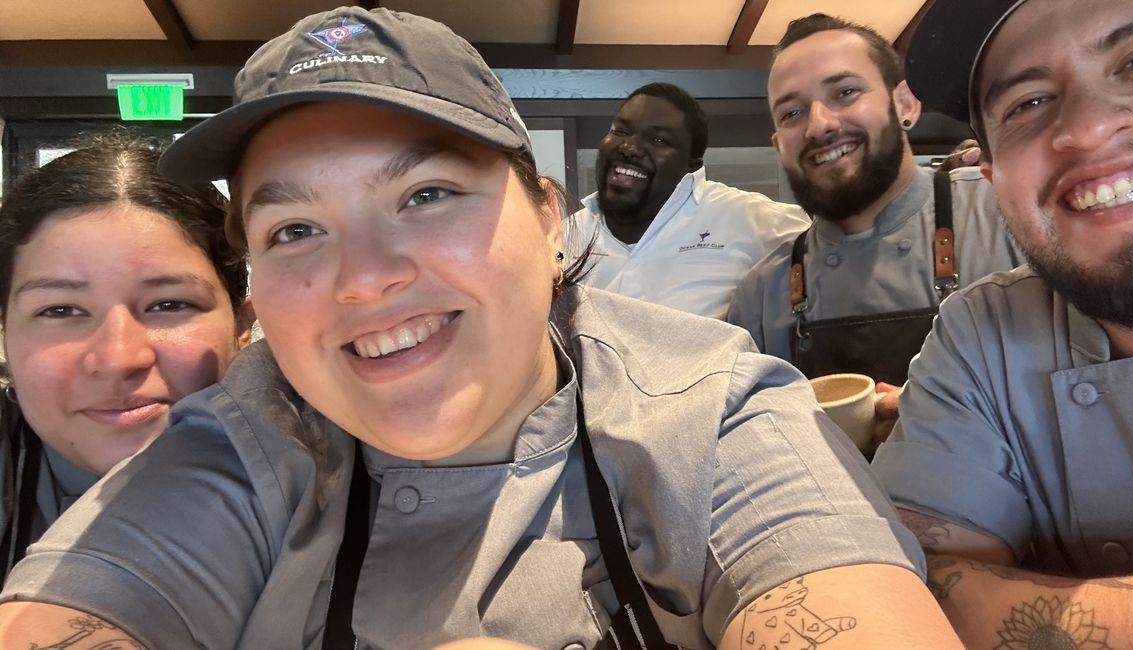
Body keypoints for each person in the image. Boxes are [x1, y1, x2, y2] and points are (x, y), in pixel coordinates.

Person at [0, 8, 963, 650]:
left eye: (427, 195)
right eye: (295, 229)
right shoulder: (244, 438)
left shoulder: (709, 407)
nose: (365, 278)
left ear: (549, 219)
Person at [871, 0, 1133, 645]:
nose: (1084, 128)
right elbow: (907, 588)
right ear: (994, 178)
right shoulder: (981, 332)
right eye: (1027, 103)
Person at [725, 14, 1023, 399]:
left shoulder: (1005, 214)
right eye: (791, 113)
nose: (818, 125)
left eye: (845, 92)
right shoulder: (761, 296)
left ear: (905, 104)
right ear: (779, 146)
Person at [0, 133, 254, 581]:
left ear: (242, 325)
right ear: (5, 334)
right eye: (60, 310)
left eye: (170, 304)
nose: (119, 357)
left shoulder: (334, 484)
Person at [565, 83, 809, 319]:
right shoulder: (564, 236)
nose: (629, 147)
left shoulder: (745, 218)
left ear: (692, 166)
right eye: (620, 131)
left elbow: (830, 247)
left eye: (658, 140)